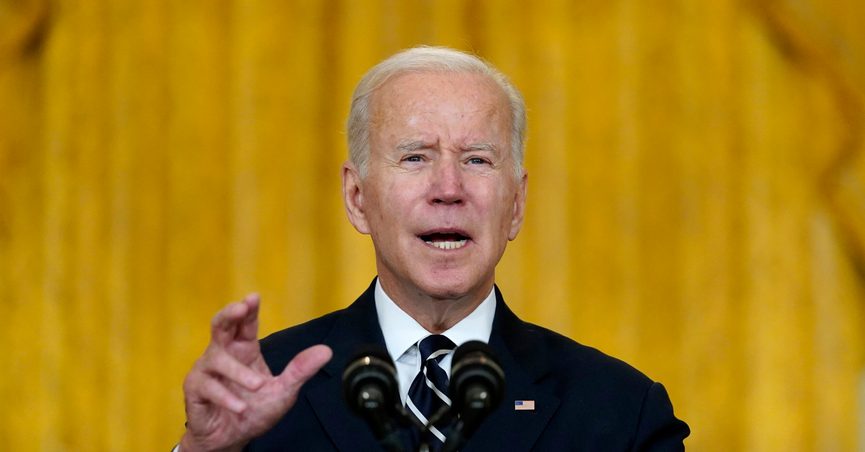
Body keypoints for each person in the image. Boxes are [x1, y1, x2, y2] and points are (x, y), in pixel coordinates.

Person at [177, 46, 690, 452]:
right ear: (357, 199)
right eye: (416, 157)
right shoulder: (259, 395)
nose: (448, 187)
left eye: (477, 160)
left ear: (515, 205)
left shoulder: (619, 412)